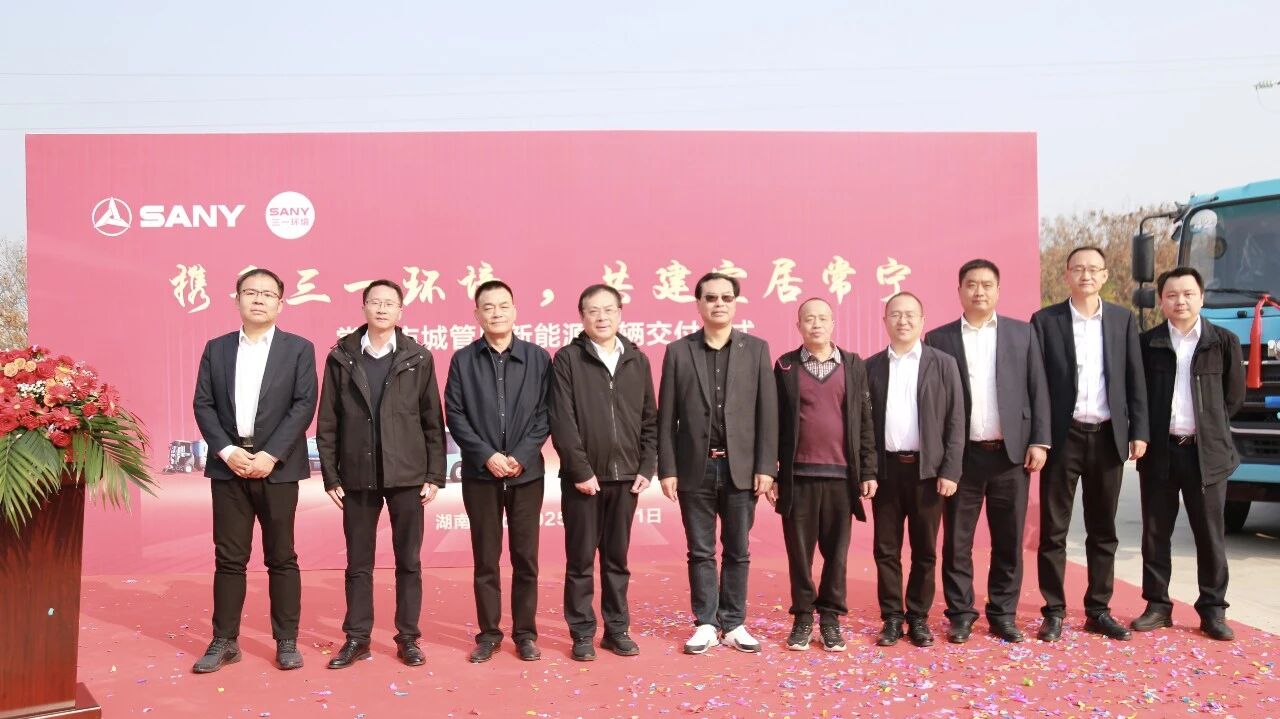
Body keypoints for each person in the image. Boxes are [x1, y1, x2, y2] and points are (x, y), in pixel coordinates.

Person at [191, 268, 317, 673]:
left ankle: (286, 640)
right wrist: (228, 451)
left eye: (267, 294)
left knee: (282, 557)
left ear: (281, 303)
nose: (258, 299)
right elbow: (203, 404)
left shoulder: (298, 349)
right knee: (229, 558)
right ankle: (224, 641)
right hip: (229, 468)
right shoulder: (217, 349)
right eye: (250, 292)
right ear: (237, 299)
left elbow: (304, 404)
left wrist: (271, 454)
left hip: (276, 469)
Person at [317, 279, 446, 668]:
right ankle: (357, 638)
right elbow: (328, 423)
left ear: (400, 310)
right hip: (357, 475)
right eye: (375, 302)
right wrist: (331, 476)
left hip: (407, 475)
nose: (382, 308)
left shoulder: (418, 357)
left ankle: (408, 638)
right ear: (364, 308)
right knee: (359, 563)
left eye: (390, 303)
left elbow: (432, 420)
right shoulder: (341, 357)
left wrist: (434, 474)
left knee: (409, 561)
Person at [925, 259, 1050, 644]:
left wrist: (1040, 440)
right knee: (957, 542)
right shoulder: (939, 338)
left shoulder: (1022, 333)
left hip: (1010, 456)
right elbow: (934, 402)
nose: (979, 291)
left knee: (1008, 540)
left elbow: (1038, 388)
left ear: (998, 290)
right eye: (971, 284)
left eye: (986, 284)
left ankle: (1003, 614)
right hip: (961, 459)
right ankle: (961, 614)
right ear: (959, 290)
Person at [1031, 246, 1149, 642]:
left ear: (1104, 275)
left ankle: (1099, 609)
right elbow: (1038, 386)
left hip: (1107, 436)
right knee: (1054, 531)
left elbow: (1134, 377)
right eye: (1078, 269)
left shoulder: (1121, 319)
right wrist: (1040, 438)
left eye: (1093, 269)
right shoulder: (1046, 321)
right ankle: (1054, 611)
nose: (1086, 275)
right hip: (1062, 438)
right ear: (1066, 275)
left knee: (1103, 530)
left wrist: (1139, 430)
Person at [657, 272, 778, 654]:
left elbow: (767, 414)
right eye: (711, 298)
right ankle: (706, 624)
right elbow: (666, 417)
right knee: (701, 551)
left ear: (736, 303)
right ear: (699, 304)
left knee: (738, 550)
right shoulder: (679, 352)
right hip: (695, 468)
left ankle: (734, 623)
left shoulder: (756, 349)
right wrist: (668, 468)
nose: (719, 304)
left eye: (726, 297)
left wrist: (766, 466)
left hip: (742, 469)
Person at [1132, 267, 1244, 641]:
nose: (1180, 301)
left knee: (1210, 535)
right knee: (1155, 533)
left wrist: (1208, 429)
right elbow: (1138, 397)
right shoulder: (1147, 343)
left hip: (1205, 455)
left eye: (1188, 294)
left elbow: (1233, 398)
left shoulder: (1222, 342)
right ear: (1161, 300)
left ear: (1201, 297)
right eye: (1172, 295)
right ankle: (1157, 606)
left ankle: (1213, 610)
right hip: (1160, 452)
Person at [445, 280, 552, 663]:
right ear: (476, 315)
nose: (496, 313)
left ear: (515, 310)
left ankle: (525, 634)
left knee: (526, 559)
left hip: (526, 474)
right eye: (488, 307)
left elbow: (546, 413)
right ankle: (489, 634)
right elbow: (455, 414)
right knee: (486, 559)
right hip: (480, 474)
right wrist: (487, 454)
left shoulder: (538, 358)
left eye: (503, 305)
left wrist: (521, 455)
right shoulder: (463, 360)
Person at [550, 284, 658, 661]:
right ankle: (582, 633)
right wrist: (580, 470)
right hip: (583, 481)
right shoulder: (567, 359)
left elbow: (650, 418)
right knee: (580, 560)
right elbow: (562, 420)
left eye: (608, 310)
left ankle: (616, 630)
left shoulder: (637, 360)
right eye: (593, 311)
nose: (601, 317)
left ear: (620, 314)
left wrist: (647, 466)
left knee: (617, 561)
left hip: (626, 478)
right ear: (582, 317)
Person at [770, 297, 877, 652]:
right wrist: (772, 472)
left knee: (837, 554)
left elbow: (864, 421)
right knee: (799, 554)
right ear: (798, 325)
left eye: (822, 318)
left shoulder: (852, 364)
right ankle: (803, 617)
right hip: (798, 477)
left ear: (833, 323)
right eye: (809, 319)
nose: (816, 324)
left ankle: (830, 619)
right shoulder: (785, 366)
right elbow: (773, 423)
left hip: (841, 477)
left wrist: (868, 469)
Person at [866, 292, 965, 648]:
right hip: (887, 472)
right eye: (895, 314)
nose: (903, 320)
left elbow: (956, 420)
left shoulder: (943, 364)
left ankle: (918, 617)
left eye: (910, 315)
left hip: (928, 472)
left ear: (922, 321)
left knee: (925, 550)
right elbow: (864, 426)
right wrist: (867, 470)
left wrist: (950, 470)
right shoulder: (871, 367)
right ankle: (892, 617)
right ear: (885, 321)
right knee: (886, 550)